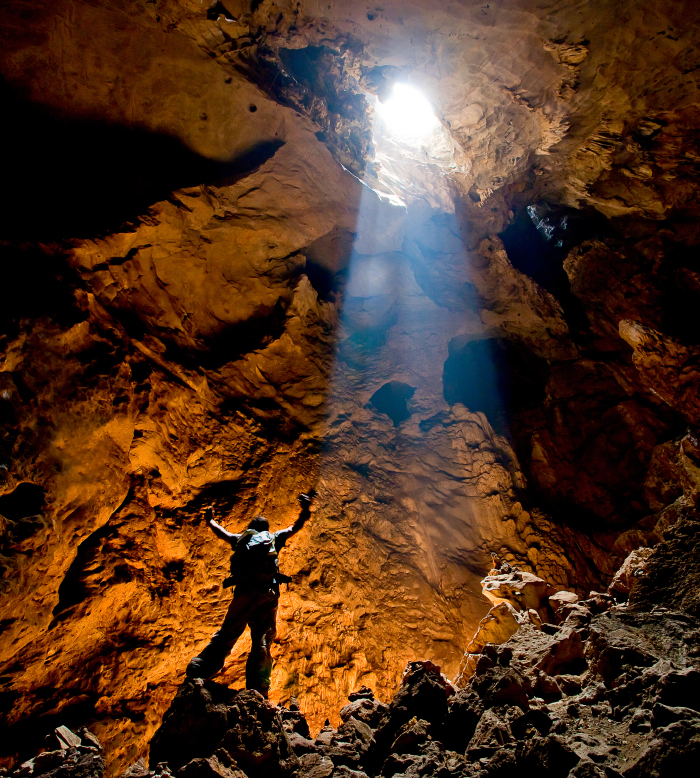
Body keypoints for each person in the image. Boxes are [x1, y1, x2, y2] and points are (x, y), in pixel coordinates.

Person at [186, 492, 315, 696]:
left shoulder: (241, 539)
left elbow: (222, 533)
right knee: (262, 639)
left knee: (228, 633)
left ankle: (200, 668)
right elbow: (295, 528)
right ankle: (259, 686)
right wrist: (305, 509)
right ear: (266, 529)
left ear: (251, 528)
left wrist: (210, 520)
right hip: (267, 593)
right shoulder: (273, 539)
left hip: (244, 592)